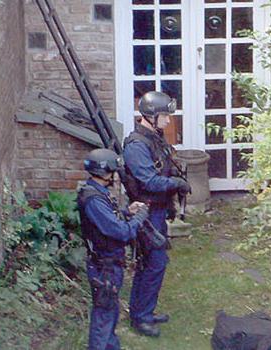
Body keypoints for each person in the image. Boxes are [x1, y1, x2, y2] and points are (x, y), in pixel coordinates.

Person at [123, 91, 191, 337]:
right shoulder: (137, 146)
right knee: (152, 263)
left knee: (153, 264)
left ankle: (144, 311)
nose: (168, 120)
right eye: (165, 115)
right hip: (146, 212)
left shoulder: (154, 138)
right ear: (151, 116)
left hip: (158, 211)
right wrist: (176, 184)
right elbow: (149, 181)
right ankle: (140, 317)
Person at [77, 148, 149, 350]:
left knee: (110, 312)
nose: (116, 175)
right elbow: (121, 232)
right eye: (114, 171)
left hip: (108, 264)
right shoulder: (94, 200)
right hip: (104, 267)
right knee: (103, 317)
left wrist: (127, 211)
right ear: (106, 172)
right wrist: (138, 219)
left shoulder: (98, 194)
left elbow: (108, 219)